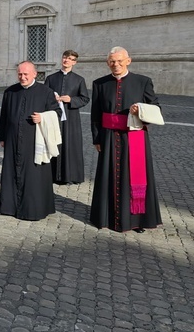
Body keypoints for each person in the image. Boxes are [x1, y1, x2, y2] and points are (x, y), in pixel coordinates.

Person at [90, 47, 162, 233]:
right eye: (112, 61)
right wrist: (96, 138)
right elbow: (96, 114)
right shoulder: (99, 83)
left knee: (134, 177)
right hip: (108, 136)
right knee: (109, 176)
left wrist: (141, 111)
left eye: (120, 61)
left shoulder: (143, 82)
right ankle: (106, 217)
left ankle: (136, 220)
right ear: (108, 63)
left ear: (128, 61)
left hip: (134, 136)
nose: (116, 65)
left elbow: (155, 107)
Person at [0, 61, 60, 220]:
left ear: (34, 73)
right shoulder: (10, 91)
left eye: (26, 74)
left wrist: (43, 117)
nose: (22, 77)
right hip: (12, 139)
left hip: (34, 140)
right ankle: (9, 207)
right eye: (20, 74)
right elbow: (4, 115)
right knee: (11, 171)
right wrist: (2, 137)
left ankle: (33, 209)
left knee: (33, 174)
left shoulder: (46, 92)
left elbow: (57, 113)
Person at [44, 50, 89, 185]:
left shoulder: (79, 80)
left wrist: (71, 99)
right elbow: (43, 96)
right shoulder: (51, 78)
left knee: (70, 145)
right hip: (54, 117)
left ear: (74, 62)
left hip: (71, 118)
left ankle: (70, 176)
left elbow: (85, 99)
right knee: (53, 143)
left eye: (70, 59)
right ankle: (52, 175)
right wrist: (53, 99)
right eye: (65, 57)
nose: (66, 60)